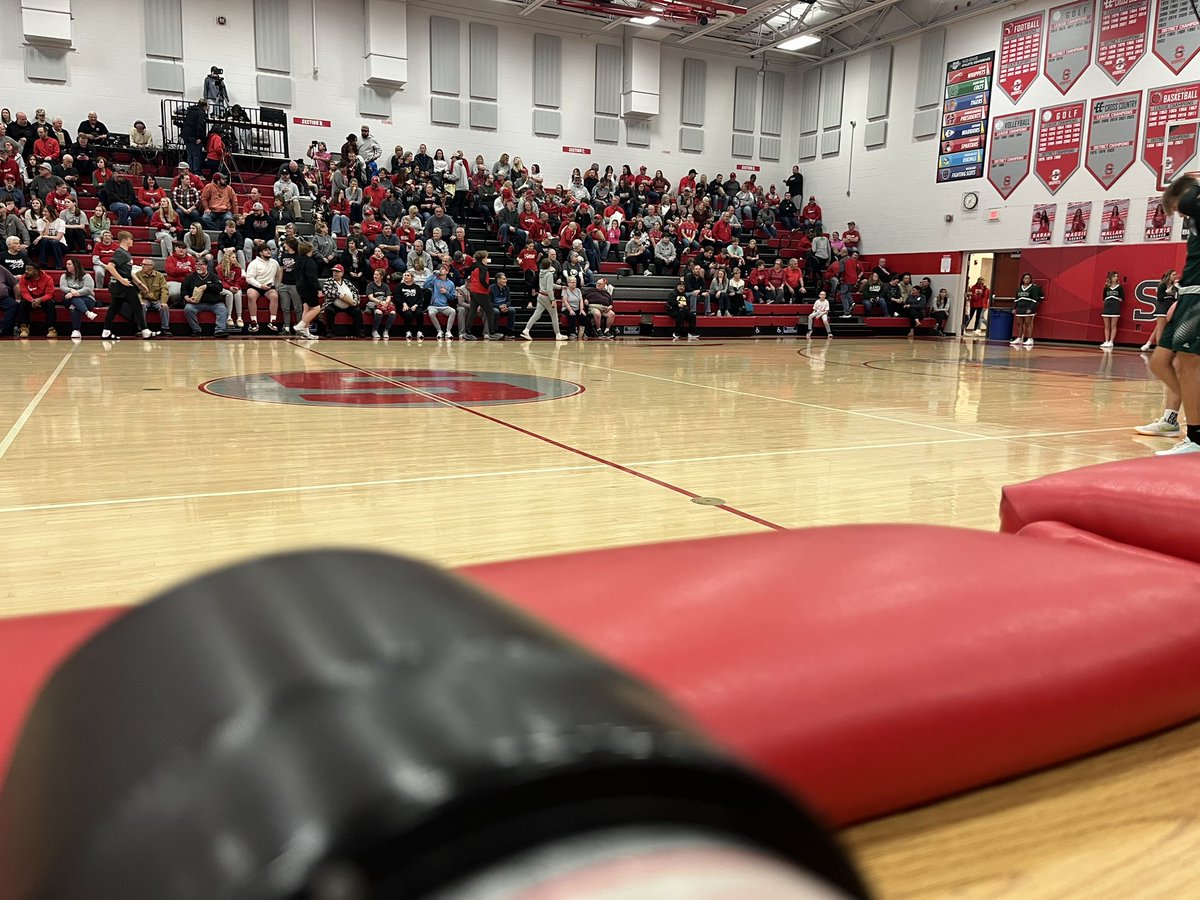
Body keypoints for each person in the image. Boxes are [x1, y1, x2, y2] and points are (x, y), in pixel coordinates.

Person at [1146, 174, 1200, 454]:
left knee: (1189, 365)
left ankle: (1197, 437)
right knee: (1160, 361)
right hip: (1188, 294)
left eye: (1178, 210)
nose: (1181, 216)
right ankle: (1180, 412)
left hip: (1199, 295)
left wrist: (1192, 186)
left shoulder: (1195, 203)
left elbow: (1191, 197)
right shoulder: (1193, 217)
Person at [101, 231, 153, 340]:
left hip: (120, 285)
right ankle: (145, 331)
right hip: (122, 285)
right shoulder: (120, 252)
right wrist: (122, 280)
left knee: (114, 308)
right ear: (125, 240)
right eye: (131, 239)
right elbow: (110, 266)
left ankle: (106, 331)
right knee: (137, 306)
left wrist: (139, 283)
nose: (132, 241)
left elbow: (129, 271)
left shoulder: (126, 254)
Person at [181, 257, 229, 337]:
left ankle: (219, 330)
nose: (198, 266)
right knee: (188, 308)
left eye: (201, 264)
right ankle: (196, 330)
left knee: (222, 309)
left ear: (206, 266)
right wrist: (187, 298)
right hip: (196, 303)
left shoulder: (213, 276)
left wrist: (207, 286)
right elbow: (183, 289)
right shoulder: (190, 277)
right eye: (196, 264)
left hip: (213, 303)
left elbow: (219, 287)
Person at [522, 259, 565, 341]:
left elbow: (550, 284)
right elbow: (549, 289)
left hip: (540, 295)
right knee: (554, 316)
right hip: (546, 297)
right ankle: (558, 334)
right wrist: (552, 300)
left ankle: (526, 330)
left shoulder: (541, 273)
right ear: (550, 265)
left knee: (536, 314)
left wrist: (560, 287)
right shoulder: (549, 274)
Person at [243, 241, 281, 333]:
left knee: (274, 296)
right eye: (265, 250)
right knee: (251, 295)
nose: (268, 252)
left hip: (268, 286)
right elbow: (249, 278)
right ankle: (254, 323)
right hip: (255, 286)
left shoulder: (275, 263)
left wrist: (275, 285)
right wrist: (260, 285)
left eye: (269, 250)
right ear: (260, 253)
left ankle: (273, 322)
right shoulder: (254, 263)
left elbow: (278, 275)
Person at [291, 241, 323, 340]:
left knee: (307, 309)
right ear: (310, 249)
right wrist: (318, 288)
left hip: (300, 287)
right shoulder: (310, 261)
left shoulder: (299, 260)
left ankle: (306, 333)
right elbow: (312, 277)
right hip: (309, 288)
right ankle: (300, 325)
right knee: (316, 308)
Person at [321, 263, 362, 338]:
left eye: (337, 271)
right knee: (329, 310)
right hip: (333, 303)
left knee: (357, 311)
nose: (335, 273)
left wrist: (355, 301)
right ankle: (330, 332)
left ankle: (359, 332)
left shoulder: (347, 282)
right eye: (334, 271)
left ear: (342, 273)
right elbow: (326, 291)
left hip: (348, 305)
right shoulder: (328, 281)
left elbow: (355, 292)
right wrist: (339, 295)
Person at [59, 257, 97, 338]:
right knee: (74, 300)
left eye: (69, 264)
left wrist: (75, 293)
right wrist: (71, 290)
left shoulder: (86, 276)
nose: (67, 266)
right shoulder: (64, 276)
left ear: (75, 265)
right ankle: (87, 313)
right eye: (66, 264)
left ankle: (76, 330)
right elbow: (63, 287)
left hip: (87, 299)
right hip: (68, 299)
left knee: (75, 306)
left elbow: (88, 289)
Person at [16, 262, 57, 338]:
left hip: (44, 299)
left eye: (29, 270)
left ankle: (51, 329)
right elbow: (24, 293)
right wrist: (32, 300)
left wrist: (40, 299)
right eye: (25, 269)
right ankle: (24, 328)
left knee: (50, 303)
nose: (26, 271)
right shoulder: (23, 278)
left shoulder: (48, 278)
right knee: (23, 303)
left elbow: (50, 294)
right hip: (30, 300)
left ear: (36, 271)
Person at [464, 250, 498, 341]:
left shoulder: (474, 266)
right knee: (490, 311)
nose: (487, 260)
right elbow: (482, 280)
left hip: (473, 291)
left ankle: (467, 332)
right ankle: (492, 332)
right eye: (486, 258)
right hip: (481, 292)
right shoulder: (483, 268)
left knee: (472, 311)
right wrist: (488, 287)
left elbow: (466, 272)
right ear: (483, 259)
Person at [133, 257, 171, 336]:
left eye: (145, 265)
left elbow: (164, 289)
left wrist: (163, 302)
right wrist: (140, 301)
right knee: (141, 306)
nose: (142, 266)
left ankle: (165, 328)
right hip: (144, 299)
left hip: (156, 299)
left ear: (151, 267)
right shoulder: (137, 275)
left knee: (164, 307)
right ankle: (142, 329)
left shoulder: (159, 276)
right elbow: (136, 291)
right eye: (142, 264)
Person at [1143, 270, 1179, 352]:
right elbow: (1159, 298)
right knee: (1160, 328)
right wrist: (1166, 292)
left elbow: (1173, 298)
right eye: (1173, 274)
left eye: (1175, 275)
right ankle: (1159, 347)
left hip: (1168, 308)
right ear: (1169, 275)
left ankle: (1148, 344)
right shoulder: (1162, 285)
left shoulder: (1173, 287)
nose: (1175, 276)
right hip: (1162, 308)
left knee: (1158, 327)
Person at [1009, 273, 1043, 348]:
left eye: (1028, 278)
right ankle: (1019, 338)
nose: (1027, 280)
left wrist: (1030, 308)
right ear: (1023, 279)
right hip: (1020, 308)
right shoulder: (1019, 288)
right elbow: (1016, 299)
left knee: (1028, 324)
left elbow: (1035, 299)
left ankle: (1030, 339)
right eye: (1026, 278)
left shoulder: (1033, 288)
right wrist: (1014, 308)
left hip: (1029, 308)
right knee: (1019, 324)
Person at [390, 268, 423, 339]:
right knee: (408, 314)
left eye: (408, 275)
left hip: (414, 306)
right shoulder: (399, 286)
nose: (405, 277)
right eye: (405, 275)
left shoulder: (417, 287)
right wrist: (403, 304)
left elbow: (420, 298)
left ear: (412, 278)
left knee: (419, 313)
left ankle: (419, 331)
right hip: (403, 306)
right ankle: (407, 331)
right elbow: (397, 297)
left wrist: (416, 305)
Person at [426, 265, 457, 340]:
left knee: (453, 311)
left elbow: (452, 298)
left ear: (447, 271)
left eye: (443, 269)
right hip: (433, 305)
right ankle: (439, 331)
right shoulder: (435, 280)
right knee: (431, 313)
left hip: (444, 306)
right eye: (440, 269)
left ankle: (448, 331)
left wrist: (446, 292)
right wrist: (432, 275)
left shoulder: (451, 283)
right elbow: (425, 286)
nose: (441, 270)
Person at [1099, 271, 1123, 350]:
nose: (1116, 278)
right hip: (1107, 307)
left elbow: (1122, 299)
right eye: (1114, 276)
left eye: (1117, 276)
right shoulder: (1106, 287)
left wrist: (1115, 298)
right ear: (1110, 278)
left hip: (1115, 307)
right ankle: (1106, 341)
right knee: (1106, 326)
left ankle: (1111, 341)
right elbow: (1103, 299)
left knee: (1113, 325)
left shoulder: (1120, 287)